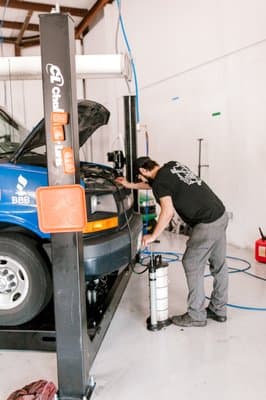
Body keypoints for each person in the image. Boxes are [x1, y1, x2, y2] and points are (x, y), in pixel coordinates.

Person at [116, 156, 229, 327]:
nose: (140, 180)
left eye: (139, 177)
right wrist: (130, 185)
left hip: (206, 223)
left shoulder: (160, 183)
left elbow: (167, 212)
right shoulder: (171, 166)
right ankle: (219, 309)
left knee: (191, 262)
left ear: (143, 171)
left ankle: (196, 315)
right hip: (220, 214)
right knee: (219, 264)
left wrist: (153, 235)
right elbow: (153, 185)